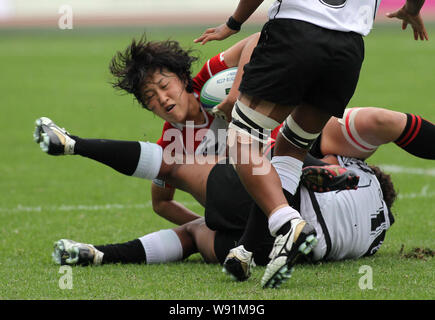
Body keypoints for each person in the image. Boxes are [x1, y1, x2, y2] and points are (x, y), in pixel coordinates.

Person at [193, 0, 429, 288]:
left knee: (241, 137)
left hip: (295, 34)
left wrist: (233, 23)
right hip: (347, 50)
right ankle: (248, 249)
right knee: (291, 146)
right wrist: (413, 9)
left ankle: (287, 223)